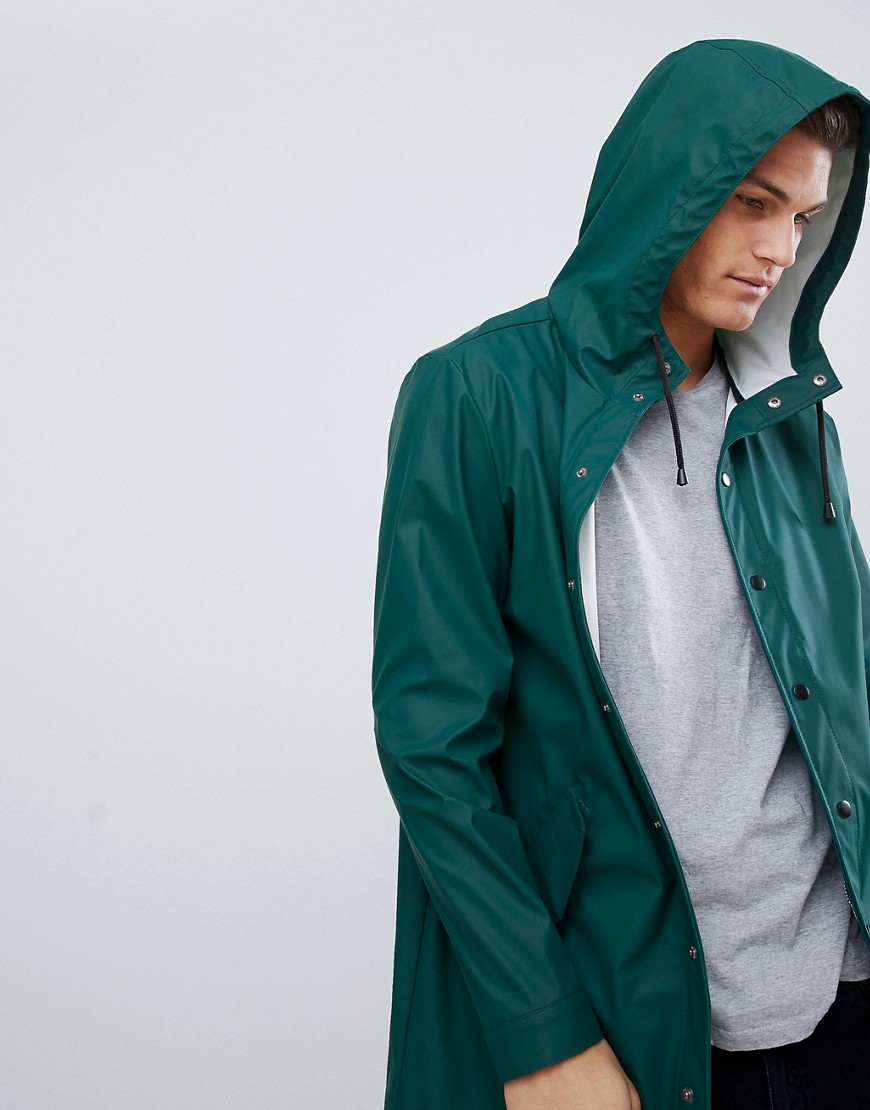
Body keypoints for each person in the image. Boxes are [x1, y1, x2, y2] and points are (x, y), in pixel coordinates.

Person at [372, 39, 870, 1110]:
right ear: (667, 185)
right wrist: (542, 1035)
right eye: (753, 202)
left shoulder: (793, 418)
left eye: (804, 216)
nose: (781, 248)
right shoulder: (478, 396)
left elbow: (847, 698)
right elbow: (434, 748)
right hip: (626, 1011)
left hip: (837, 996)